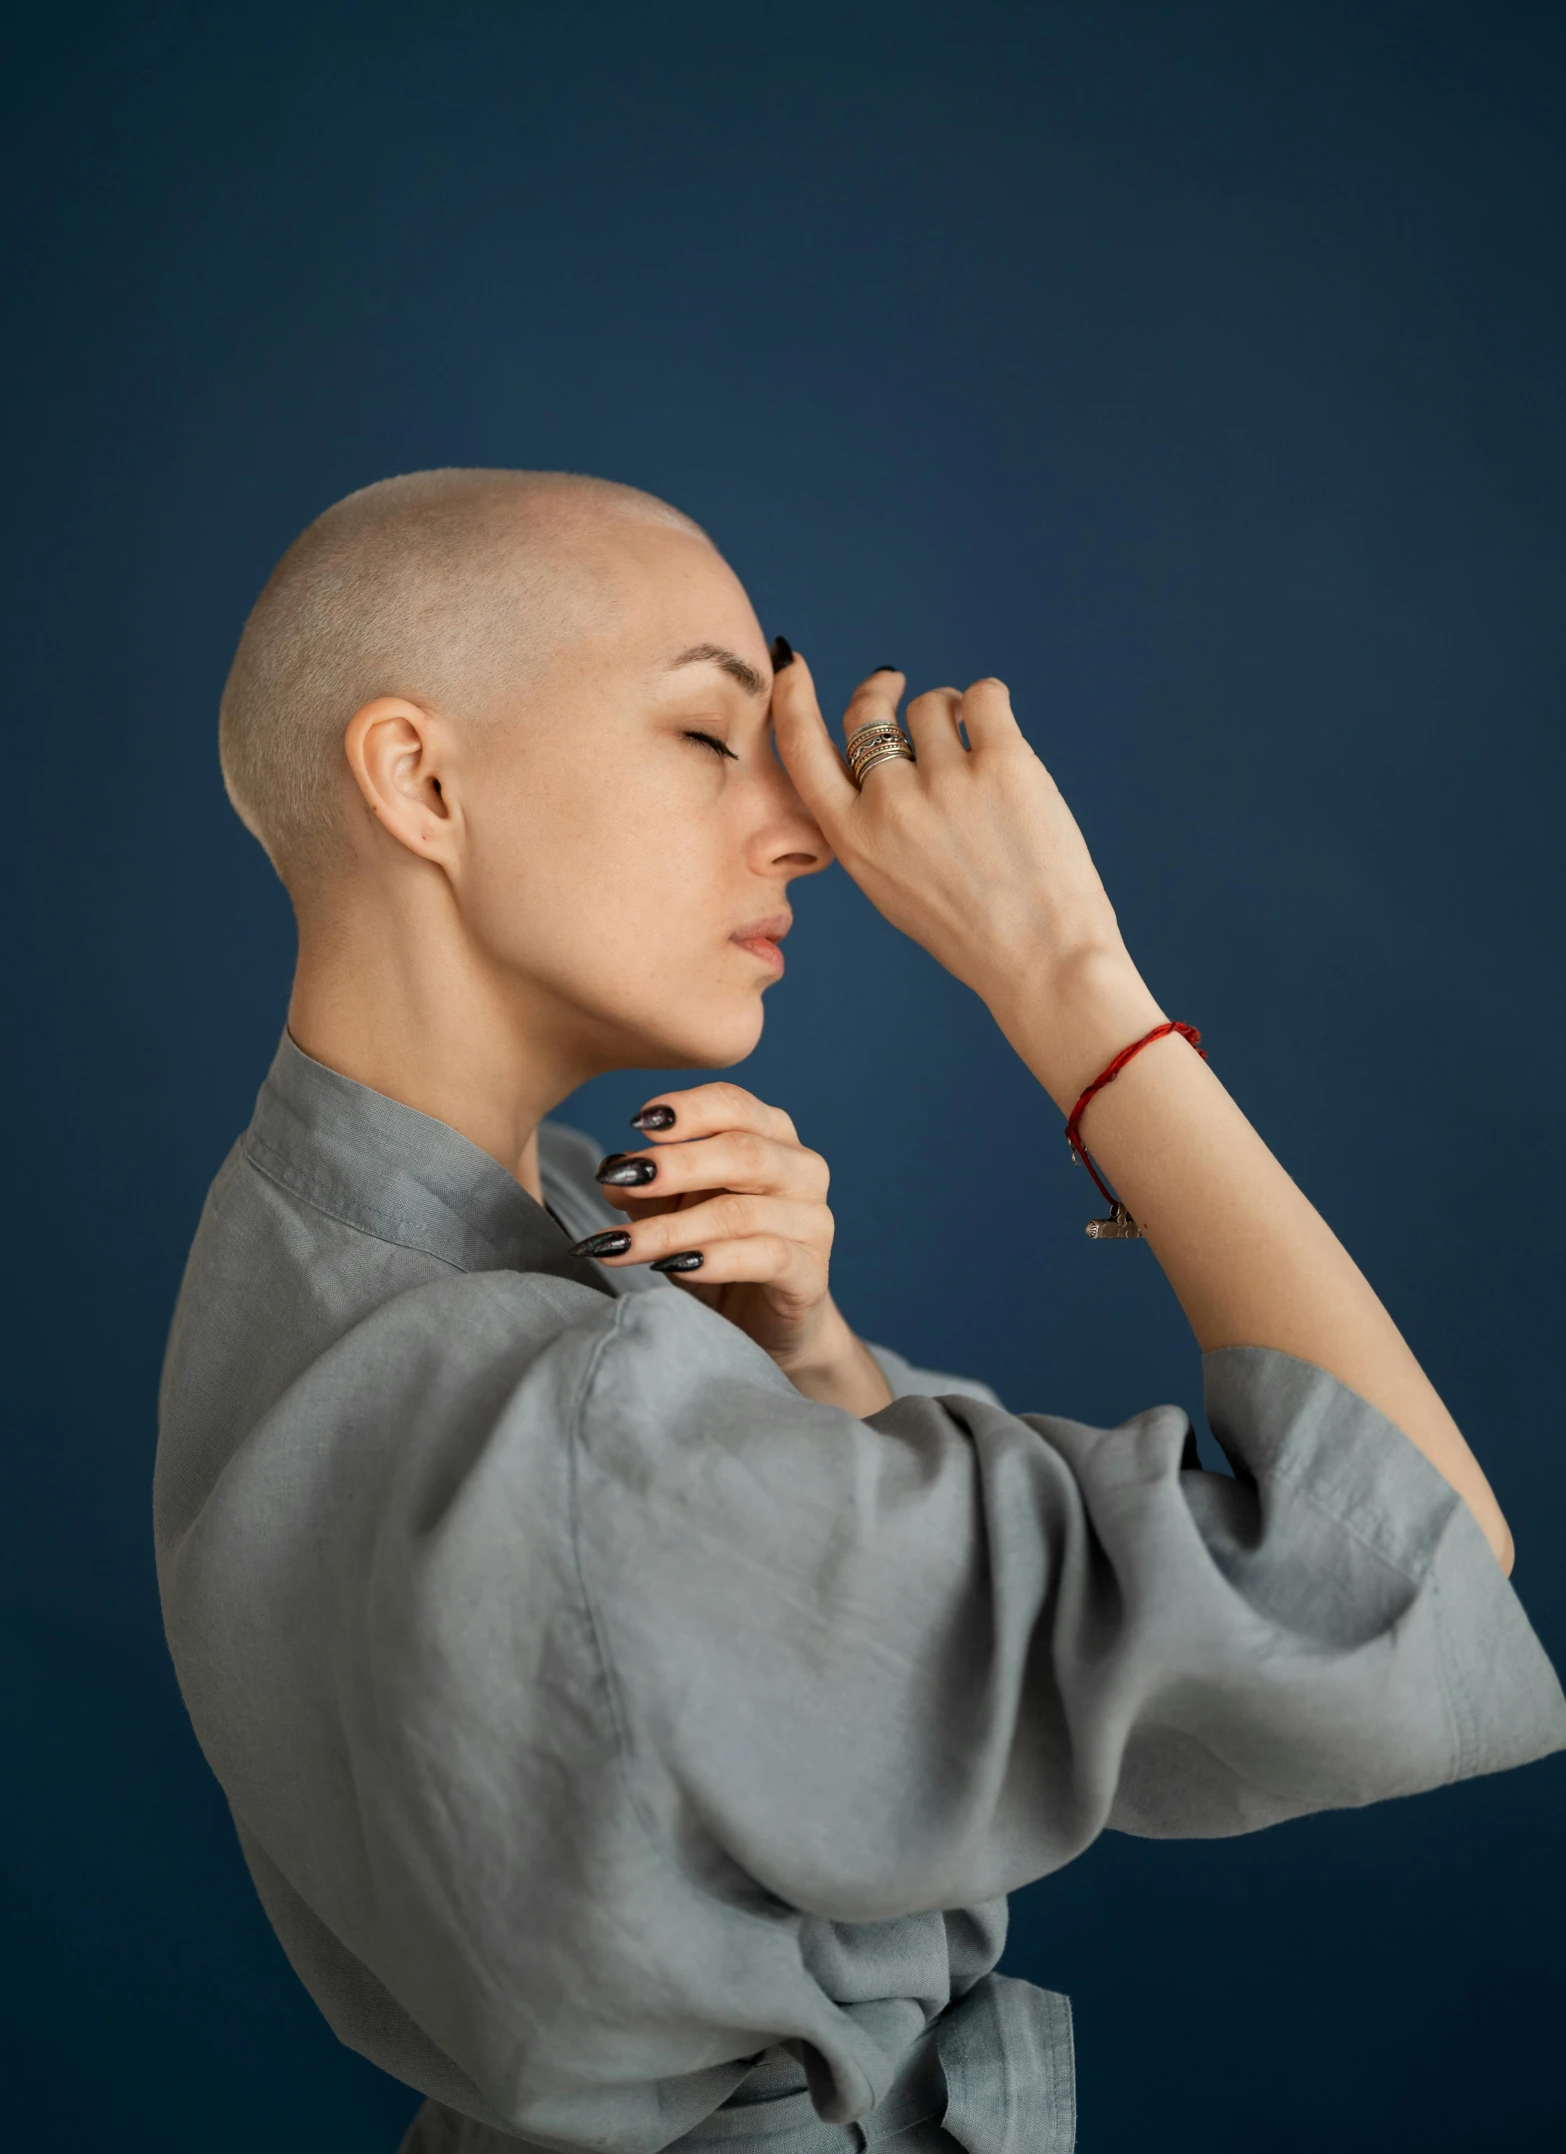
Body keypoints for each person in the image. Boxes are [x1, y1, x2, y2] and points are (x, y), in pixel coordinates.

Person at [156, 468, 1564, 2154]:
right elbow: (1391, 1571)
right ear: (420, 778)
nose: (806, 827)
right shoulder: (567, 1406)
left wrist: (803, 1366)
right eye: (703, 736)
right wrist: (1069, 985)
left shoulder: (317, 1235)